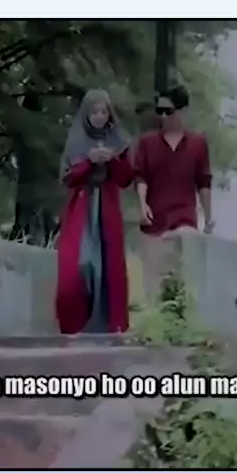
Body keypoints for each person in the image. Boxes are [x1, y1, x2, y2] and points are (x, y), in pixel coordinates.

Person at [56, 88, 133, 334]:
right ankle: (76, 323)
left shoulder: (119, 139)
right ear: (86, 114)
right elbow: (67, 177)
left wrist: (112, 160)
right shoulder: (76, 140)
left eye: (104, 112)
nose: (99, 116)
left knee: (106, 269)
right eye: (94, 112)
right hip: (81, 208)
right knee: (80, 265)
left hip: (107, 208)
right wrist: (89, 162)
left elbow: (126, 178)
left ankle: (105, 325)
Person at [133, 84, 213, 298]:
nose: (163, 117)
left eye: (169, 111)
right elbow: (140, 176)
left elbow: (204, 182)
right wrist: (142, 205)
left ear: (182, 110)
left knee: (184, 280)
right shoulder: (147, 143)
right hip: (154, 222)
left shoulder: (198, 144)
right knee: (154, 288)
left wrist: (209, 218)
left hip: (184, 218)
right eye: (160, 111)